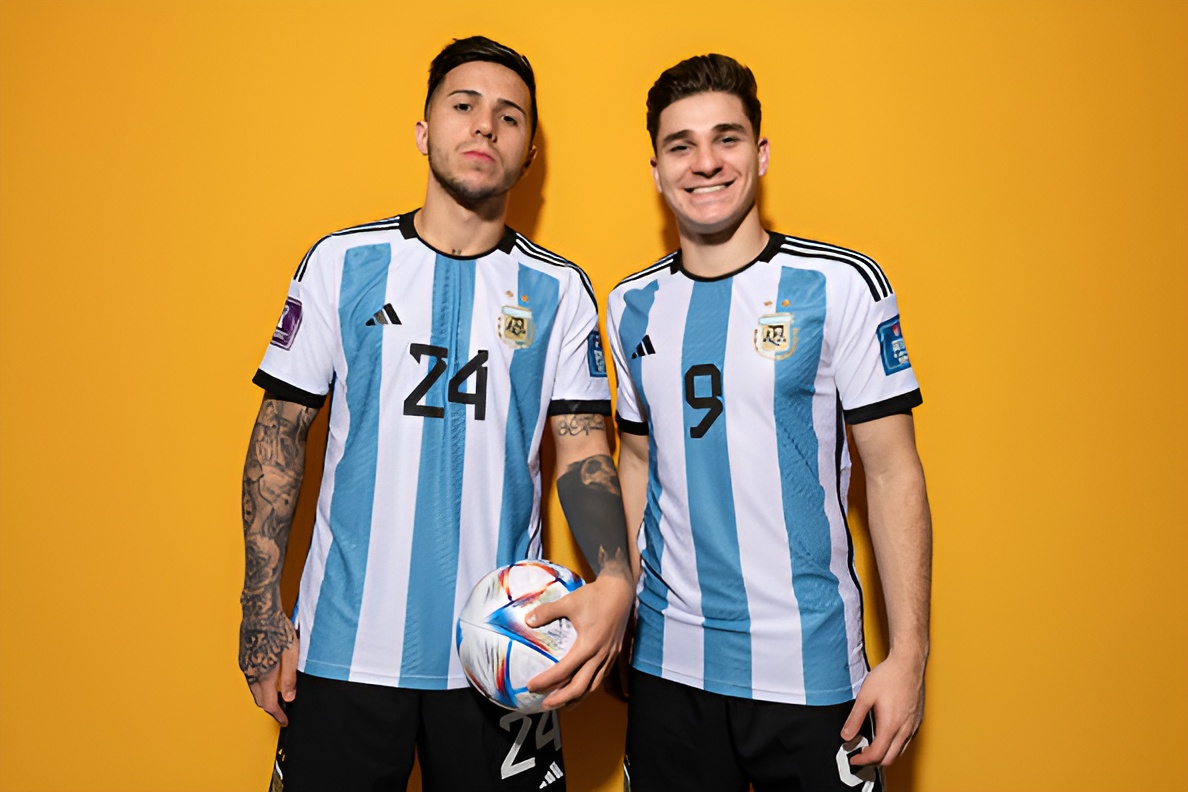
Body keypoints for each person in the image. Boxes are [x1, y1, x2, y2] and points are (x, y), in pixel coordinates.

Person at [238, 36, 634, 792]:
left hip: (506, 655)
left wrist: (614, 579)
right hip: (341, 652)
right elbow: (279, 434)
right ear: (424, 133)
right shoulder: (340, 262)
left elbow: (586, 455)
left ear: (530, 152)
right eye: (464, 106)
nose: (485, 126)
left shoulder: (560, 291)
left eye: (508, 116)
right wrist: (261, 612)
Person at [606, 54, 932, 792]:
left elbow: (892, 471)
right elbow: (634, 461)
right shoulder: (629, 306)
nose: (705, 162)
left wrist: (908, 657)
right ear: (656, 169)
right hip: (666, 667)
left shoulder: (839, 286)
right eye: (680, 145)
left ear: (760, 154)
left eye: (726, 138)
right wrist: (617, 604)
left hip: (809, 667)